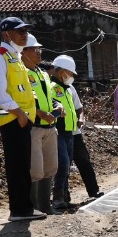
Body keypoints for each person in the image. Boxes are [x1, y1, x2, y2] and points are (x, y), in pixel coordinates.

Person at [0, 17, 44, 221]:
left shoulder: (15, 57)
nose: (24, 34)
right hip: (12, 119)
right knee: (16, 166)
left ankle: (24, 207)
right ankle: (19, 210)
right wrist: (19, 114)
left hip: (22, 118)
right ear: (6, 34)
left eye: (25, 31)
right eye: (19, 31)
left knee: (23, 165)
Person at [23, 37, 59, 215]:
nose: (39, 53)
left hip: (49, 126)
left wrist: (56, 106)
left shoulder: (42, 73)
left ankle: (45, 206)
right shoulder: (21, 73)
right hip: (34, 127)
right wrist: (39, 112)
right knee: (35, 169)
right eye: (34, 49)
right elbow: (23, 99)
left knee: (51, 166)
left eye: (39, 49)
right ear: (23, 52)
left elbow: (48, 96)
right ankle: (33, 207)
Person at [50, 55, 80, 211]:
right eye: (70, 73)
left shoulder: (67, 89)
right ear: (61, 71)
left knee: (67, 165)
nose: (72, 76)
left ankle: (65, 197)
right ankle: (57, 198)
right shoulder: (51, 87)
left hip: (69, 132)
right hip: (58, 131)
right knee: (63, 164)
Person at [70, 88, 104, 201]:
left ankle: (94, 191)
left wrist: (80, 119)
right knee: (63, 166)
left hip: (75, 133)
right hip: (60, 134)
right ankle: (62, 197)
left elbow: (79, 107)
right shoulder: (52, 87)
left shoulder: (70, 87)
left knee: (84, 162)